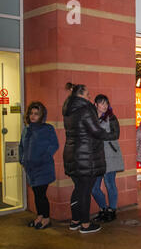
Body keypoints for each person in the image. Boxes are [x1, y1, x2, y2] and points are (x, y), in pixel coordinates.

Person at [63, 84, 117, 234]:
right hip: (85, 156)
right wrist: (110, 135)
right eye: (87, 94)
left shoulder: (68, 110)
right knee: (85, 191)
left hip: (72, 154)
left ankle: (75, 221)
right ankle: (85, 224)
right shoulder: (85, 109)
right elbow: (95, 131)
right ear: (81, 94)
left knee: (78, 190)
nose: (89, 96)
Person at [19, 102, 59, 230]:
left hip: (43, 168)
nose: (33, 116)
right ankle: (40, 216)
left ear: (41, 115)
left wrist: (43, 158)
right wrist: (22, 159)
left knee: (41, 195)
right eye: (31, 113)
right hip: (30, 169)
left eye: (36, 114)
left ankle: (46, 219)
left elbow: (54, 145)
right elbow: (21, 146)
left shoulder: (47, 129)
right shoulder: (27, 129)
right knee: (36, 194)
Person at [91, 95, 124, 223]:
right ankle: (104, 208)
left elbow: (116, 134)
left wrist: (100, 135)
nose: (104, 106)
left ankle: (112, 210)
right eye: (101, 103)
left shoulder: (111, 117)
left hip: (110, 154)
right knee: (94, 187)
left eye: (106, 103)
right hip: (96, 156)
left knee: (110, 183)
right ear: (96, 105)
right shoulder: (91, 118)